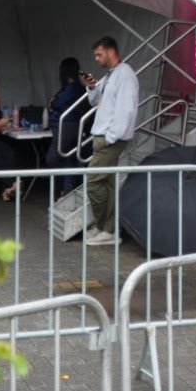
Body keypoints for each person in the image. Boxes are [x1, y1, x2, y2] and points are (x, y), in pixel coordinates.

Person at [81, 36, 139, 246]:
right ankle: (107, 228)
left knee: (94, 182)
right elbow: (95, 101)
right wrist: (91, 87)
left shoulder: (125, 75)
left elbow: (126, 109)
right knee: (107, 183)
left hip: (109, 138)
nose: (96, 59)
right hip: (105, 136)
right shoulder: (111, 75)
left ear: (111, 51)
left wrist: (111, 137)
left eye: (99, 54)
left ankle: (107, 229)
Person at [44, 57, 88, 196]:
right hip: (77, 127)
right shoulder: (81, 87)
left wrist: (52, 102)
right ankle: (67, 191)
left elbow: (55, 104)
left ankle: (63, 189)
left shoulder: (70, 88)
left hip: (65, 127)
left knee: (52, 159)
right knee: (69, 158)